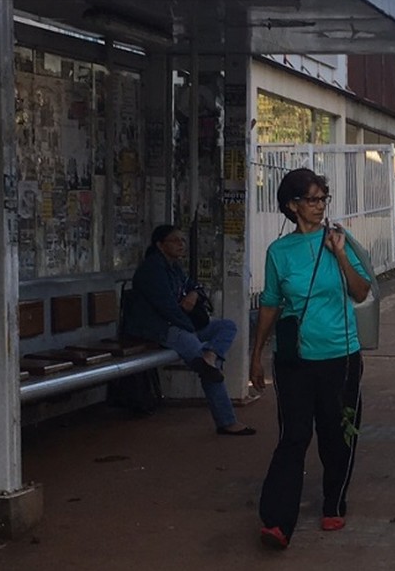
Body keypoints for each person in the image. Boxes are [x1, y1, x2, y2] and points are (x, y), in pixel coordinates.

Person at [251, 167, 373, 551]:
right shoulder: (279, 252)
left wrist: (340, 254)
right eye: (312, 200)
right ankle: (277, 519)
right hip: (295, 360)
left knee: (337, 434)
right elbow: (271, 304)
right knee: (294, 436)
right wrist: (256, 355)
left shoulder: (338, 240)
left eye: (323, 199)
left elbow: (360, 292)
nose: (320, 206)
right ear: (292, 205)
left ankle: (334, 502)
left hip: (341, 356)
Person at [120, 224, 255, 435]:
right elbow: (167, 308)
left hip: (180, 325)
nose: (181, 244)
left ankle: (212, 355)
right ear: (160, 245)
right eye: (175, 240)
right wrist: (191, 330)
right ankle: (227, 421)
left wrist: (193, 294)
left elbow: (196, 287)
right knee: (205, 366)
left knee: (226, 326)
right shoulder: (152, 270)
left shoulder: (174, 267)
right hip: (158, 329)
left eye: (183, 240)